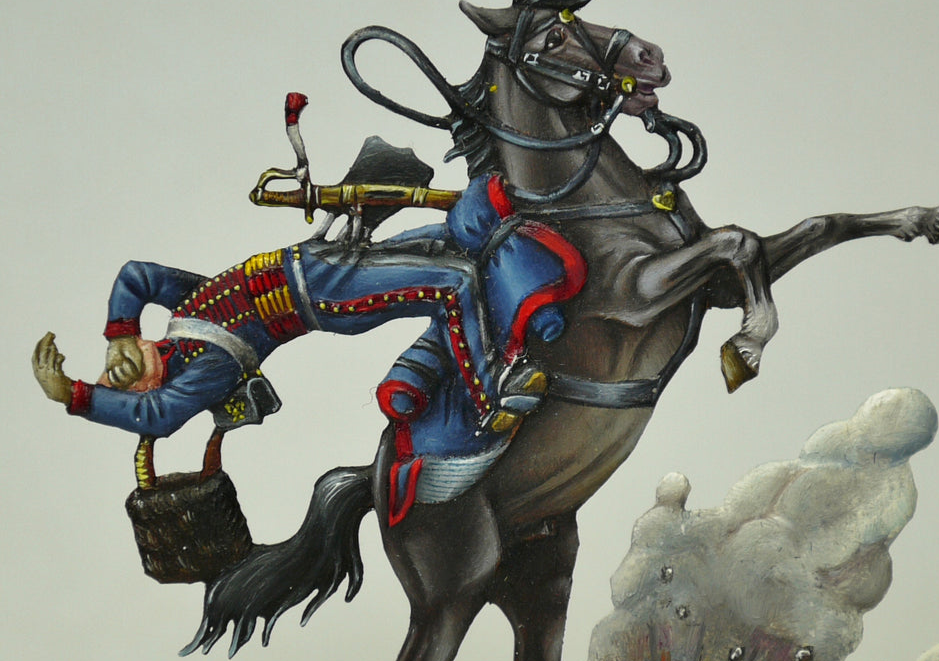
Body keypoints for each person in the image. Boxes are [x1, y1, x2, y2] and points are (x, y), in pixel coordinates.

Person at [33, 172, 586, 521]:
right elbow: (158, 417)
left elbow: (137, 275)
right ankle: (491, 394)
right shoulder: (209, 368)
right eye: (122, 384)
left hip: (319, 261)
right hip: (323, 295)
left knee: (452, 240)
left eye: (114, 369)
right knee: (453, 283)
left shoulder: (185, 319)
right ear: (152, 388)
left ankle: (533, 269)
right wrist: (75, 396)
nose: (119, 372)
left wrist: (118, 334)